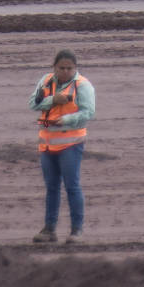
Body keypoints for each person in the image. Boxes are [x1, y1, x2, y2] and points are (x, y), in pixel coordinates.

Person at [30, 49, 95, 243]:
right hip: (47, 145)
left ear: (75, 68)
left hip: (71, 144)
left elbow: (88, 112)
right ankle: (49, 230)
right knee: (51, 187)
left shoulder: (83, 86)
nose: (65, 71)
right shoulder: (46, 81)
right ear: (54, 67)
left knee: (72, 186)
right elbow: (33, 104)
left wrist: (66, 120)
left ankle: (77, 231)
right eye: (62, 68)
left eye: (69, 68)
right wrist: (52, 100)